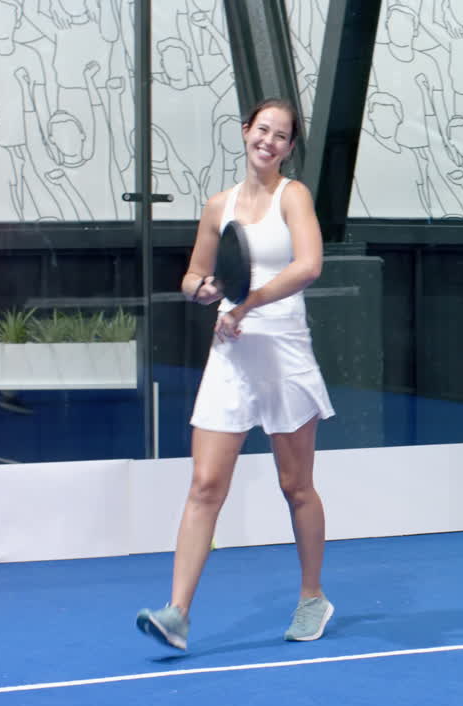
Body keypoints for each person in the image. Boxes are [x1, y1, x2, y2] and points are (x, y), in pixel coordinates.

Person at [136, 97, 335, 652]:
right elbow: (195, 274)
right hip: (230, 358)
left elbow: (309, 265)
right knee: (204, 486)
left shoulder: (293, 197)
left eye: (281, 136)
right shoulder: (217, 206)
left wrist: (245, 305)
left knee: (296, 486)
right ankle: (176, 613)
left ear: (290, 148)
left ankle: (313, 597)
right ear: (246, 132)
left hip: (284, 352)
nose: (268, 141)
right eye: (262, 130)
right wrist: (202, 291)